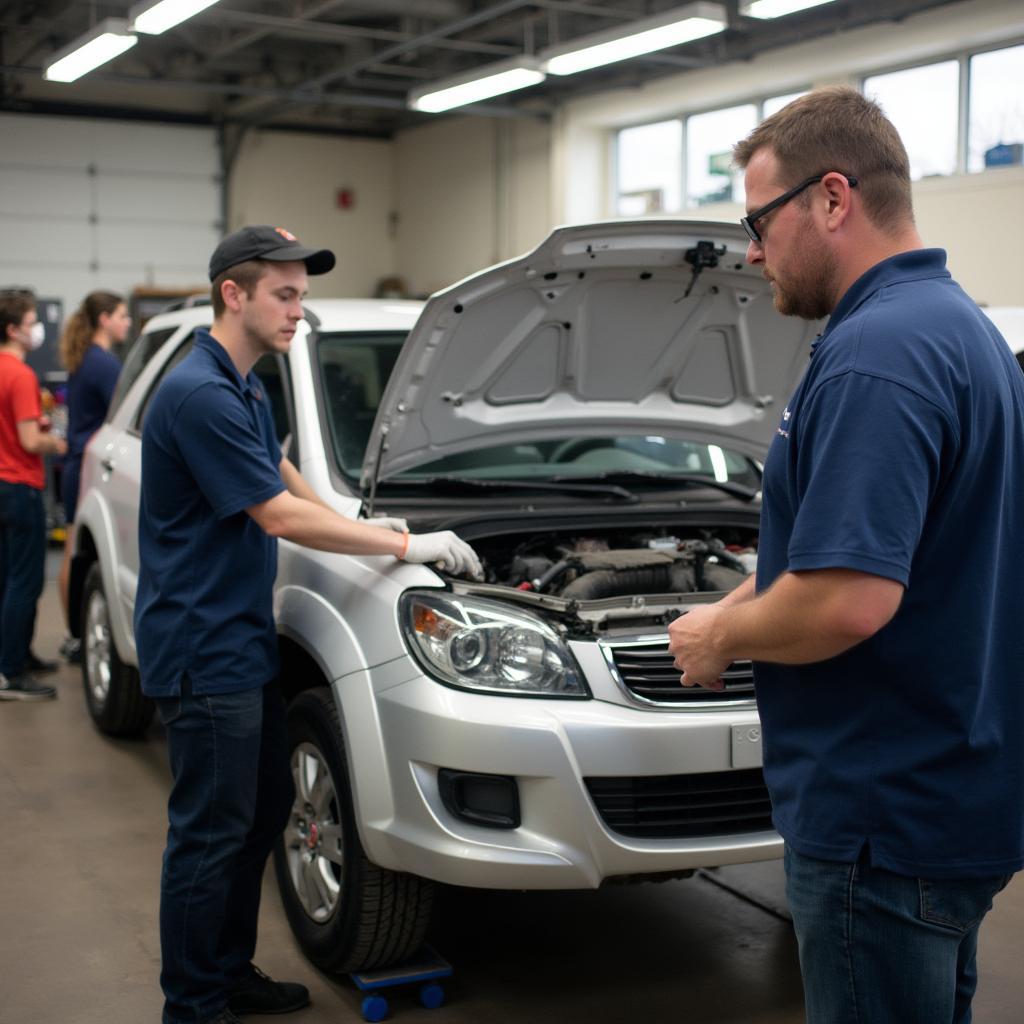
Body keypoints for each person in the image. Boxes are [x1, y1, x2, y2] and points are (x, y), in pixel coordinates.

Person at [666, 87, 1024, 1024]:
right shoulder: (961, 330)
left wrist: (721, 635)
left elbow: (849, 601)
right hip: (949, 790)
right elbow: (840, 550)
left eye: (758, 221)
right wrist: (752, 593)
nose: (751, 250)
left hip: (880, 820)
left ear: (831, 198)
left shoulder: (877, 354)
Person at [135, 224, 482, 1024]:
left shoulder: (245, 380)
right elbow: (277, 514)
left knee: (256, 815)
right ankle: (192, 1004)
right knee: (209, 836)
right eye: (285, 295)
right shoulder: (200, 393)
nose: (299, 310)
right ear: (235, 294)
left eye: (302, 294)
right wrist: (402, 542)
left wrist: (355, 515)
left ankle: (227, 972)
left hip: (238, 639)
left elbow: (283, 471)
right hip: (201, 648)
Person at [0, 289, 68, 700]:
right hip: (21, 486)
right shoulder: (21, 374)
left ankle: (15, 655)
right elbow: (28, 440)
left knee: (6, 579)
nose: (36, 330)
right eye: (30, 323)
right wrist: (56, 443)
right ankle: (11, 673)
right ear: (12, 329)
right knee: (25, 583)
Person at [57, 290, 129, 661]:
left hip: (74, 462)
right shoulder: (104, 364)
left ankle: (73, 636)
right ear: (104, 319)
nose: (127, 322)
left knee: (72, 546)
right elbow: (124, 412)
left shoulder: (84, 358)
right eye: (122, 315)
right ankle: (76, 636)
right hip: (87, 464)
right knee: (74, 551)